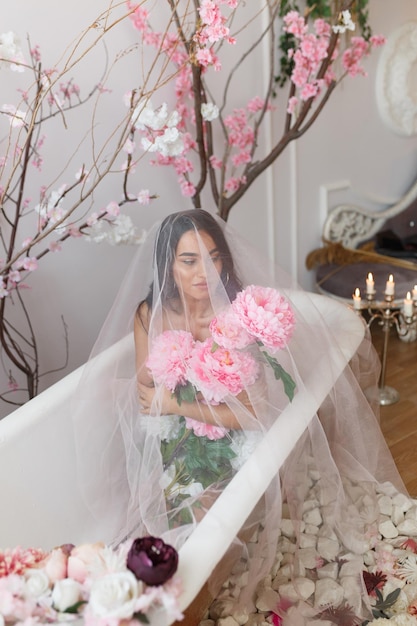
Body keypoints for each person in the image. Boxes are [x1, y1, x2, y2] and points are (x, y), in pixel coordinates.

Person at [72, 208, 408, 624]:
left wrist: (180, 400)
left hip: (235, 438)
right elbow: (145, 390)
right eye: (188, 260)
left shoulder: (238, 316)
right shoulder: (150, 312)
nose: (204, 273)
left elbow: (251, 417)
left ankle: (188, 598)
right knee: (157, 522)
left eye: (213, 257)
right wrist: (182, 383)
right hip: (174, 433)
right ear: (167, 264)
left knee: (203, 525)